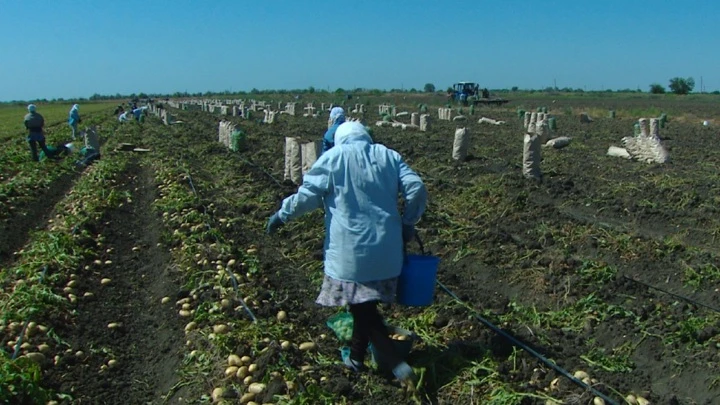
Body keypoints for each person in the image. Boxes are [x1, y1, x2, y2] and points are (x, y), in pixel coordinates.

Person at [266, 121, 427, 387]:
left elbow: (307, 197)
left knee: (362, 308)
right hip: (388, 250)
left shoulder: (333, 158)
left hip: (351, 253)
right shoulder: (389, 156)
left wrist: (282, 215)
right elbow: (416, 187)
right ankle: (355, 358)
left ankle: (398, 366)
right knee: (364, 305)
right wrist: (409, 222)